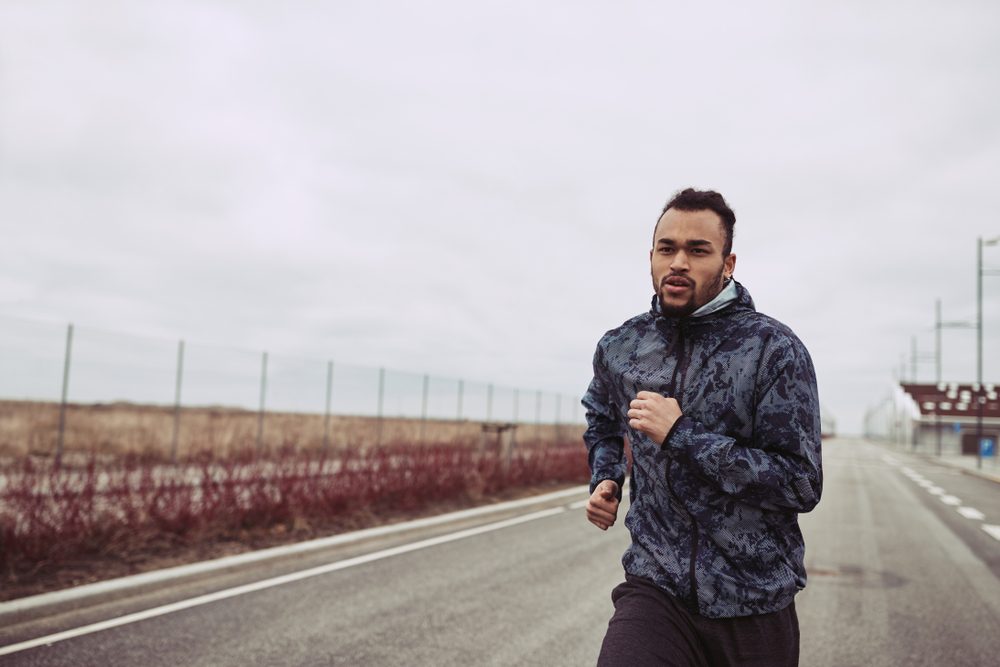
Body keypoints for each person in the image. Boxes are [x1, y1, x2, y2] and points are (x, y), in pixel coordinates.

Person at [582, 188, 822, 666]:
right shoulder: (621, 346)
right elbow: (601, 414)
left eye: (698, 250)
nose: (678, 263)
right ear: (651, 256)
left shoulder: (773, 350)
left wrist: (682, 435)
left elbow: (800, 483)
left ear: (728, 263)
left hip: (752, 601)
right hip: (656, 588)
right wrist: (607, 475)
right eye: (667, 248)